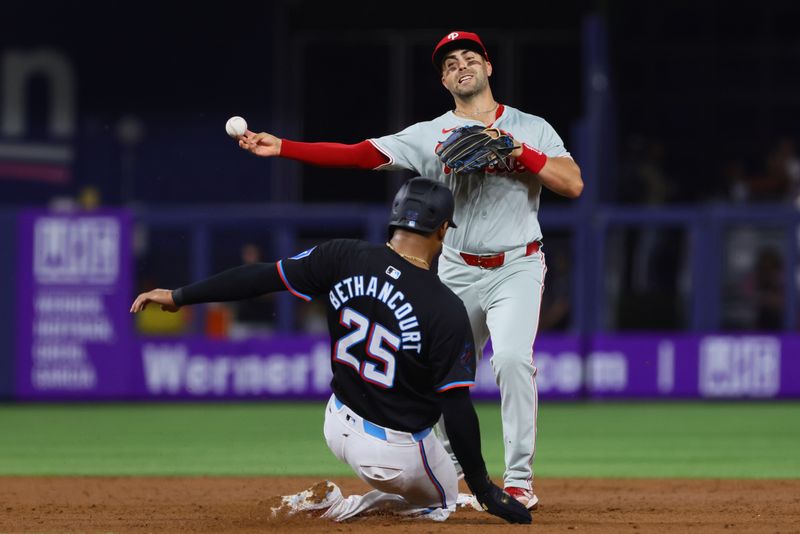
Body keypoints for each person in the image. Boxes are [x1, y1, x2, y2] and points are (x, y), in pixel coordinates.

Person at [236, 30, 584, 508]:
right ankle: (447, 466)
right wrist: (287, 148)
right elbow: (361, 154)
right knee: (432, 374)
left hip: (517, 265)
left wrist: (518, 151)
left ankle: (519, 478)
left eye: (470, 57)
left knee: (510, 360)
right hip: (458, 267)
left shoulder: (530, 126)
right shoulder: (429, 134)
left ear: (488, 66)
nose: (461, 65)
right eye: (450, 63)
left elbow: (572, 183)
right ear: (444, 80)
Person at [130, 177, 531, 524]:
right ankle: (340, 507)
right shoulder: (445, 307)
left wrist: (181, 295)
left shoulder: (342, 255)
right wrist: (483, 488)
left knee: (425, 481)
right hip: (391, 453)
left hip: (337, 422)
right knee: (442, 501)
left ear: (394, 216)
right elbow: (456, 408)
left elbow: (260, 277)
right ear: (444, 231)